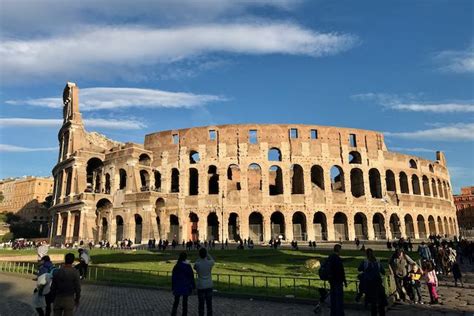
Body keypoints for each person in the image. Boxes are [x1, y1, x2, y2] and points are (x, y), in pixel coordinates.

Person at [357, 248, 386, 315]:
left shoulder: (365, 262)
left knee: (373, 303)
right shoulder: (377, 261)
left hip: (369, 285)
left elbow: (359, 269)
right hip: (377, 284)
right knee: (381, 302)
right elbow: (383, 271)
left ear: (366, 254)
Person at [194, 247, 215, 316]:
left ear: (199, 255)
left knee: (201, 305)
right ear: (206, 254)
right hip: (209, 285)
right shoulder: (210, 263)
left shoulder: (198, 264)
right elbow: (212, 260)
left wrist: (199, 256)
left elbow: (195, 265)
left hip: (201, 286)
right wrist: (207, 253)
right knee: (209, 305)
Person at [327, 244, 346, 316]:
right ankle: (339, 313)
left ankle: (333, 313)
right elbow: (341, 271)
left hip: (332, 280)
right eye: (340, 249)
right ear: (338, 250)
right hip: (338, 280)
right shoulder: (337, 259)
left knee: (333, 298)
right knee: (339, 299)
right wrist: (344, 280)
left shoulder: (330, 257)